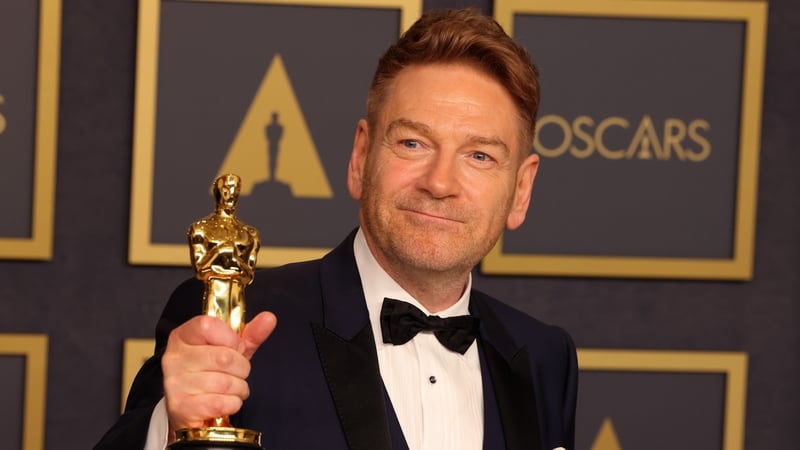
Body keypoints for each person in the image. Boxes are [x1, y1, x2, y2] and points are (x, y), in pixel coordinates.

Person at [95, 8, 577, 450]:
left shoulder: (542, 356)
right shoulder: (235, 319)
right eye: (412, 143)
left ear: (520, 190)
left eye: (479, 156)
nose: (440, 182)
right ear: (360, 157)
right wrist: (173, 426)